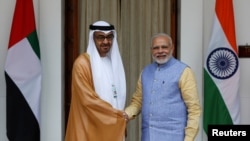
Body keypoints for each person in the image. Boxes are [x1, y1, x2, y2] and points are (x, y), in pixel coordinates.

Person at [125, 33, 201, 141]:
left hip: (174, 137)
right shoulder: (146, 72)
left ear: (172, 48)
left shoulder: (184, 71)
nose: (160, 51)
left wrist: (189, 139)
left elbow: (194, 109)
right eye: (156, 48)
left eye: (164, 47)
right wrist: (125, 115)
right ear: (151, 50)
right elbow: (138, 101)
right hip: (148, 137)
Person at [65, 21, 127, 141]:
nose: (105, 41)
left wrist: (117, 117)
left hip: (113, 126)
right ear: (92, 38)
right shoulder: (83, 63)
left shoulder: (112, 63)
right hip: (91, 127)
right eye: (100, 37)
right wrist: (115, 115)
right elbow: (87, 100)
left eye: (109, 37)